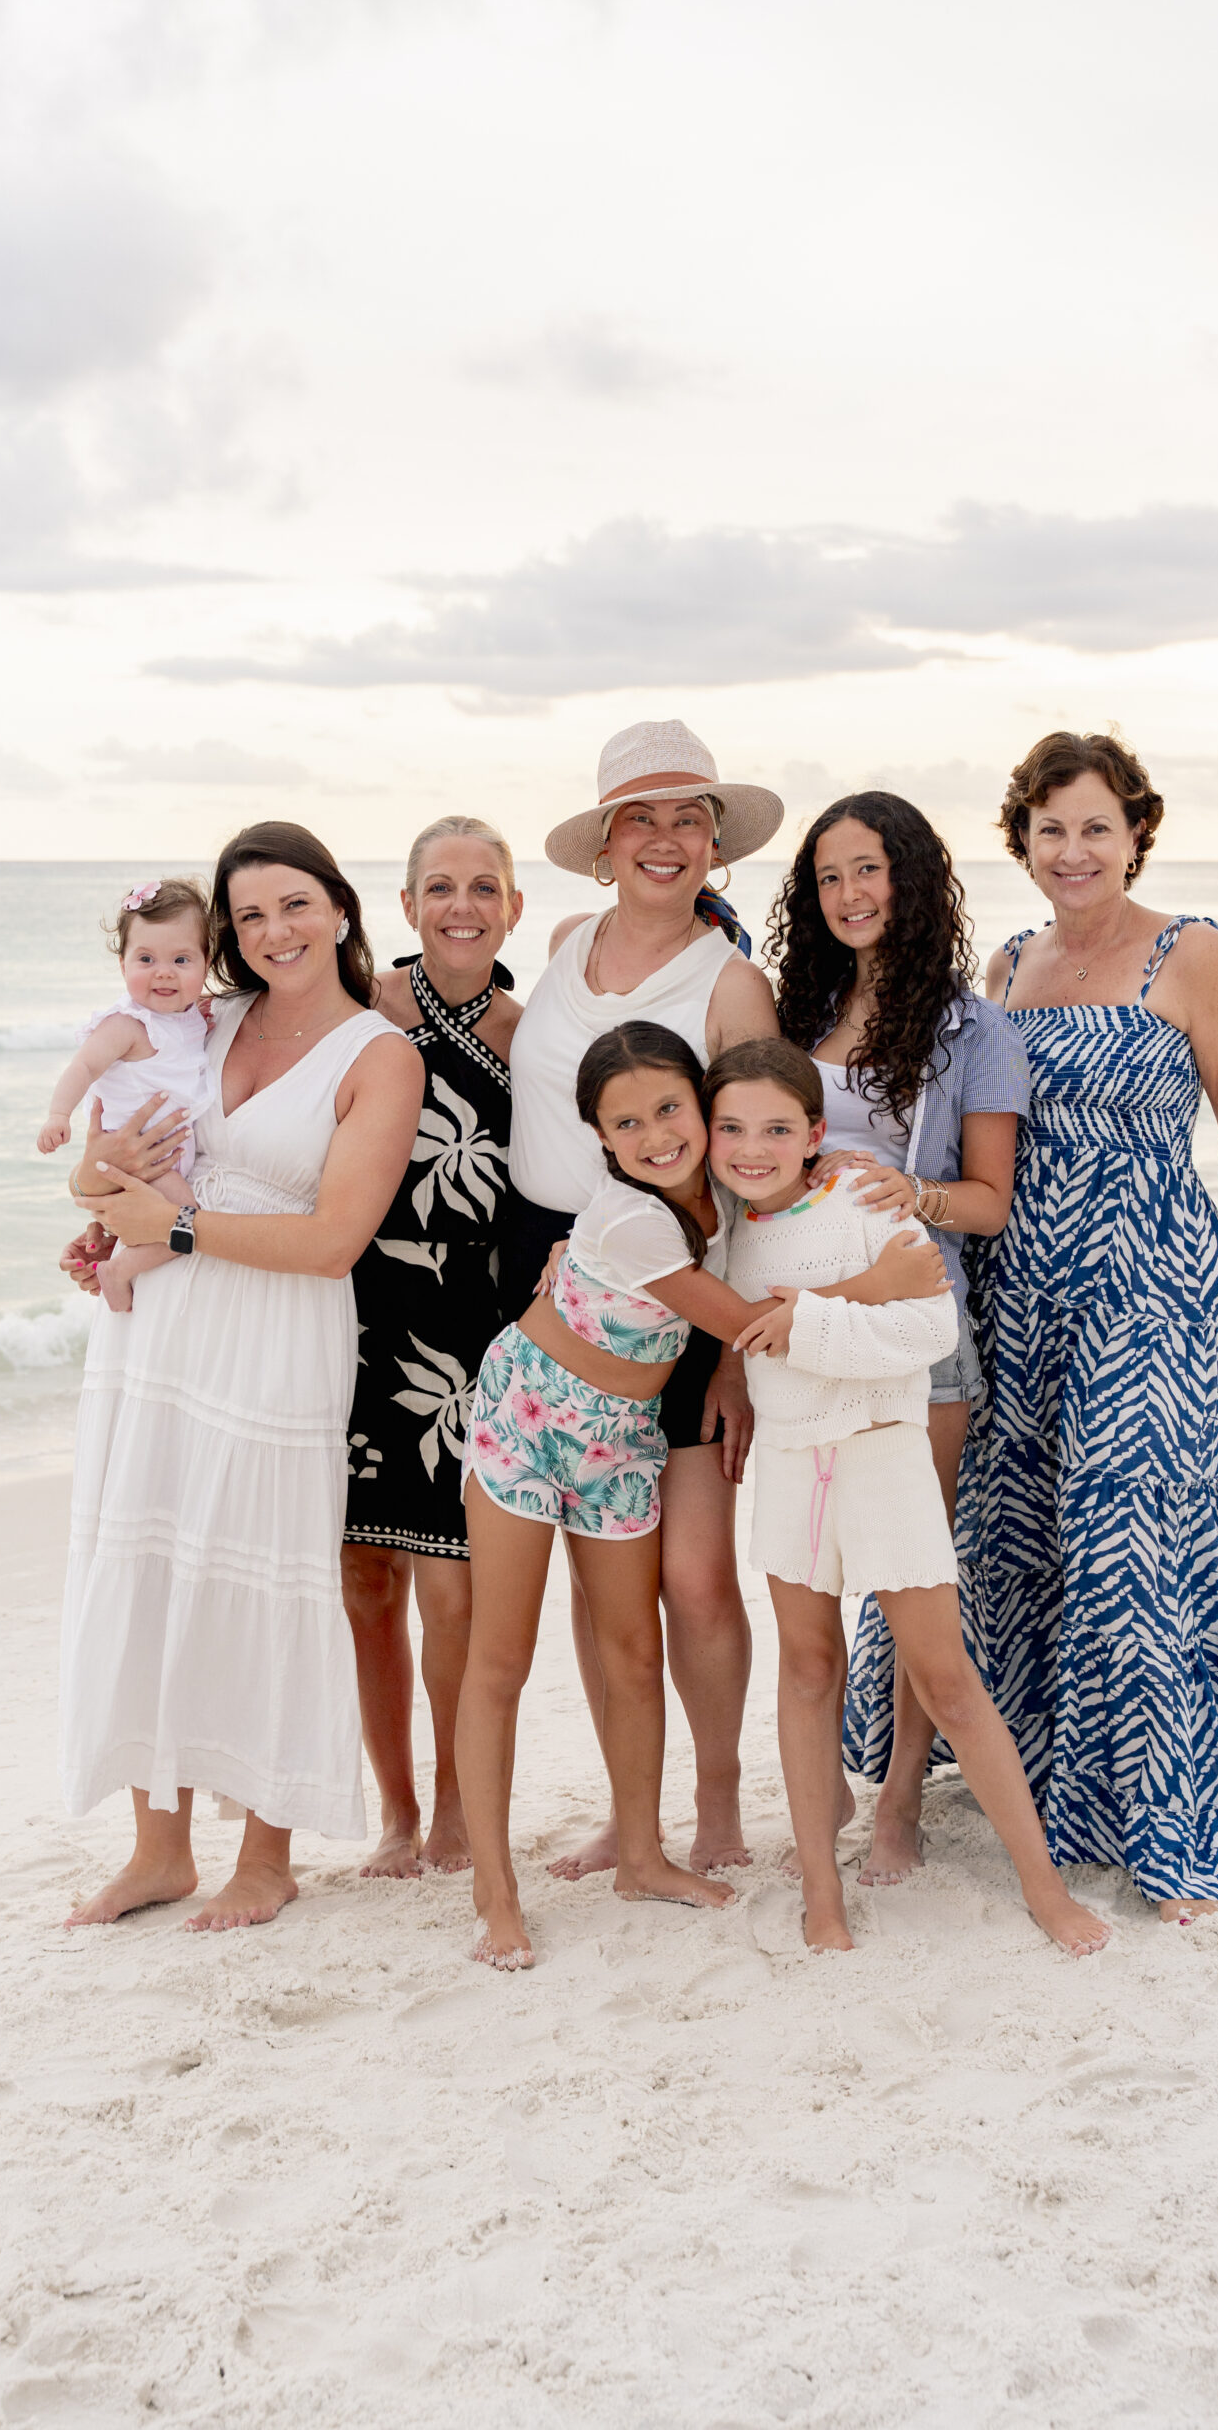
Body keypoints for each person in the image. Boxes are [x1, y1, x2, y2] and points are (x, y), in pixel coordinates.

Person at [457, 1021, 929, 1969]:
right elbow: (754, 1320)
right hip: (529, 1423)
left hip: (624, 1440)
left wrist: (820, 1157)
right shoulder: (631, 1218)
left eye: (671, 1110)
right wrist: (880, 1281)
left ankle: (642, 1858)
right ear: (598, 1136)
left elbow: (766, 1235)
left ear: (708, 1114)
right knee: (499, 1660)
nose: (654, 1135)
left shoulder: (721, 1187)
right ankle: (494, 1894)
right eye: (624, 1122)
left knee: (634, 1653)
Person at [960, 730, 1218, 1922]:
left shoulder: (1190, 952)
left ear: (1136, 833)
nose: (1073, 849)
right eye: (1051, 828)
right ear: (1023, 841)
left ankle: (1183, 1829)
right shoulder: (1007, 962)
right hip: (1020, 1292)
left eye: (1096, 826)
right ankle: (1069, 1788)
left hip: (1152, 1287)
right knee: (1026, 1538)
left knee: (1132, 1547)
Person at [59, 821, 424, 1933]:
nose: (274, 931)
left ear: (341, 909)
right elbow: (103, 1153)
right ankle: (158, 1849)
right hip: (158, 1326)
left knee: (264, 1568)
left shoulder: (378, 1053)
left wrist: (173, 1226)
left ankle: (266, 1855)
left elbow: (334, 1240)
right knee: (152, 1556)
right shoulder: (197, 1020)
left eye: (295, 905)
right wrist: (99, 1216)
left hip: (277, 1326)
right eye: (251, 914)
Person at [708, 1037, 1112, 1958]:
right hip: (787, 1470)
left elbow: (928, 1324)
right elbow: (727, 1320)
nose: (752, 1147)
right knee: (808, 1673)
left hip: (881, 1458)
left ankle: (1043, 1890)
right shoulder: (722, 1224)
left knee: (946, 1679)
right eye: (730, 1128)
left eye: (776, 1127)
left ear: (815, 1131)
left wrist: (801, 1321)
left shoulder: (860, 1197)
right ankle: (822, 1892)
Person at [504, 720, 784, 1878]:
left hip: (684, 1293)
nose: (665, 839)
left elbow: (762, 1178)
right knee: (602, 1574)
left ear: (714, 843)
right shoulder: (566, 942)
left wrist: (733, 1355)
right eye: (643, 817)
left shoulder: (731, 983)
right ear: (606, 841)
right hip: (549, 1281)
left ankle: (716, 1804)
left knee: (696, 1575)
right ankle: (634, 1813)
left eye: (689, 818)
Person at [766, 791, 1030, 1882]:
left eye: (867, 869)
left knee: (912, 1580)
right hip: (802, 1338)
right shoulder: (799, 1015)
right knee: (811, 1581)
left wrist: (908, 1191)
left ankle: (903, 1801)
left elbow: (990, 1202)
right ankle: (821, 1801)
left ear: (911, 878)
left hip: (921, 1337)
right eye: (828, 877)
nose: (848, 894)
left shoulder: (975, 1029)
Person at [340, 816, 522, 1879]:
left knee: (452, 1584)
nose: (463, 904)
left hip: (469, 1329)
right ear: (406, 906)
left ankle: (458, 1804)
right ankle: (397, 1815)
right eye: (441, 886)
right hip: (358, 1312)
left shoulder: (525, 1033)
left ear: (511, 906)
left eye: (483, 886)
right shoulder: (363, 1014)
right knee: (366, 1576)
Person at [37, 877, 213, 1312]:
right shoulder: (126, 1025)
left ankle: (111, 1247)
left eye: (181, 959)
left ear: (206, 964)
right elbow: (83, 1066)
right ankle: (120, 1270)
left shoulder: (191, 1017)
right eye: (146, 958)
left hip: (160, 1158)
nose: (164, 971)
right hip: (144, 1163)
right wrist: (59, 1114)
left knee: (172, 1225)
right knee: (190, 1224)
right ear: (122, 965)